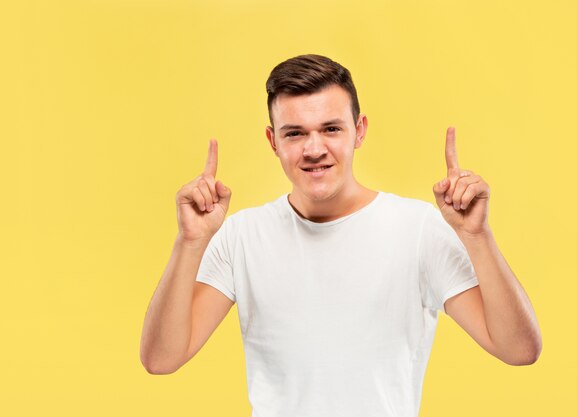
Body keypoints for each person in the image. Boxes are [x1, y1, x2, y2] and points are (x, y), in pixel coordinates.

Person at [140, 54, 542, 416]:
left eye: (331, 128)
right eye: (294, 133)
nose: (314, 149)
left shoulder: (418, 230)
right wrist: (190, 243)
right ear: (273, 141)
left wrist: (478, 237)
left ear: (359, 130)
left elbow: (519, 350)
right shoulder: (242, 236)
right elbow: (161, 359)